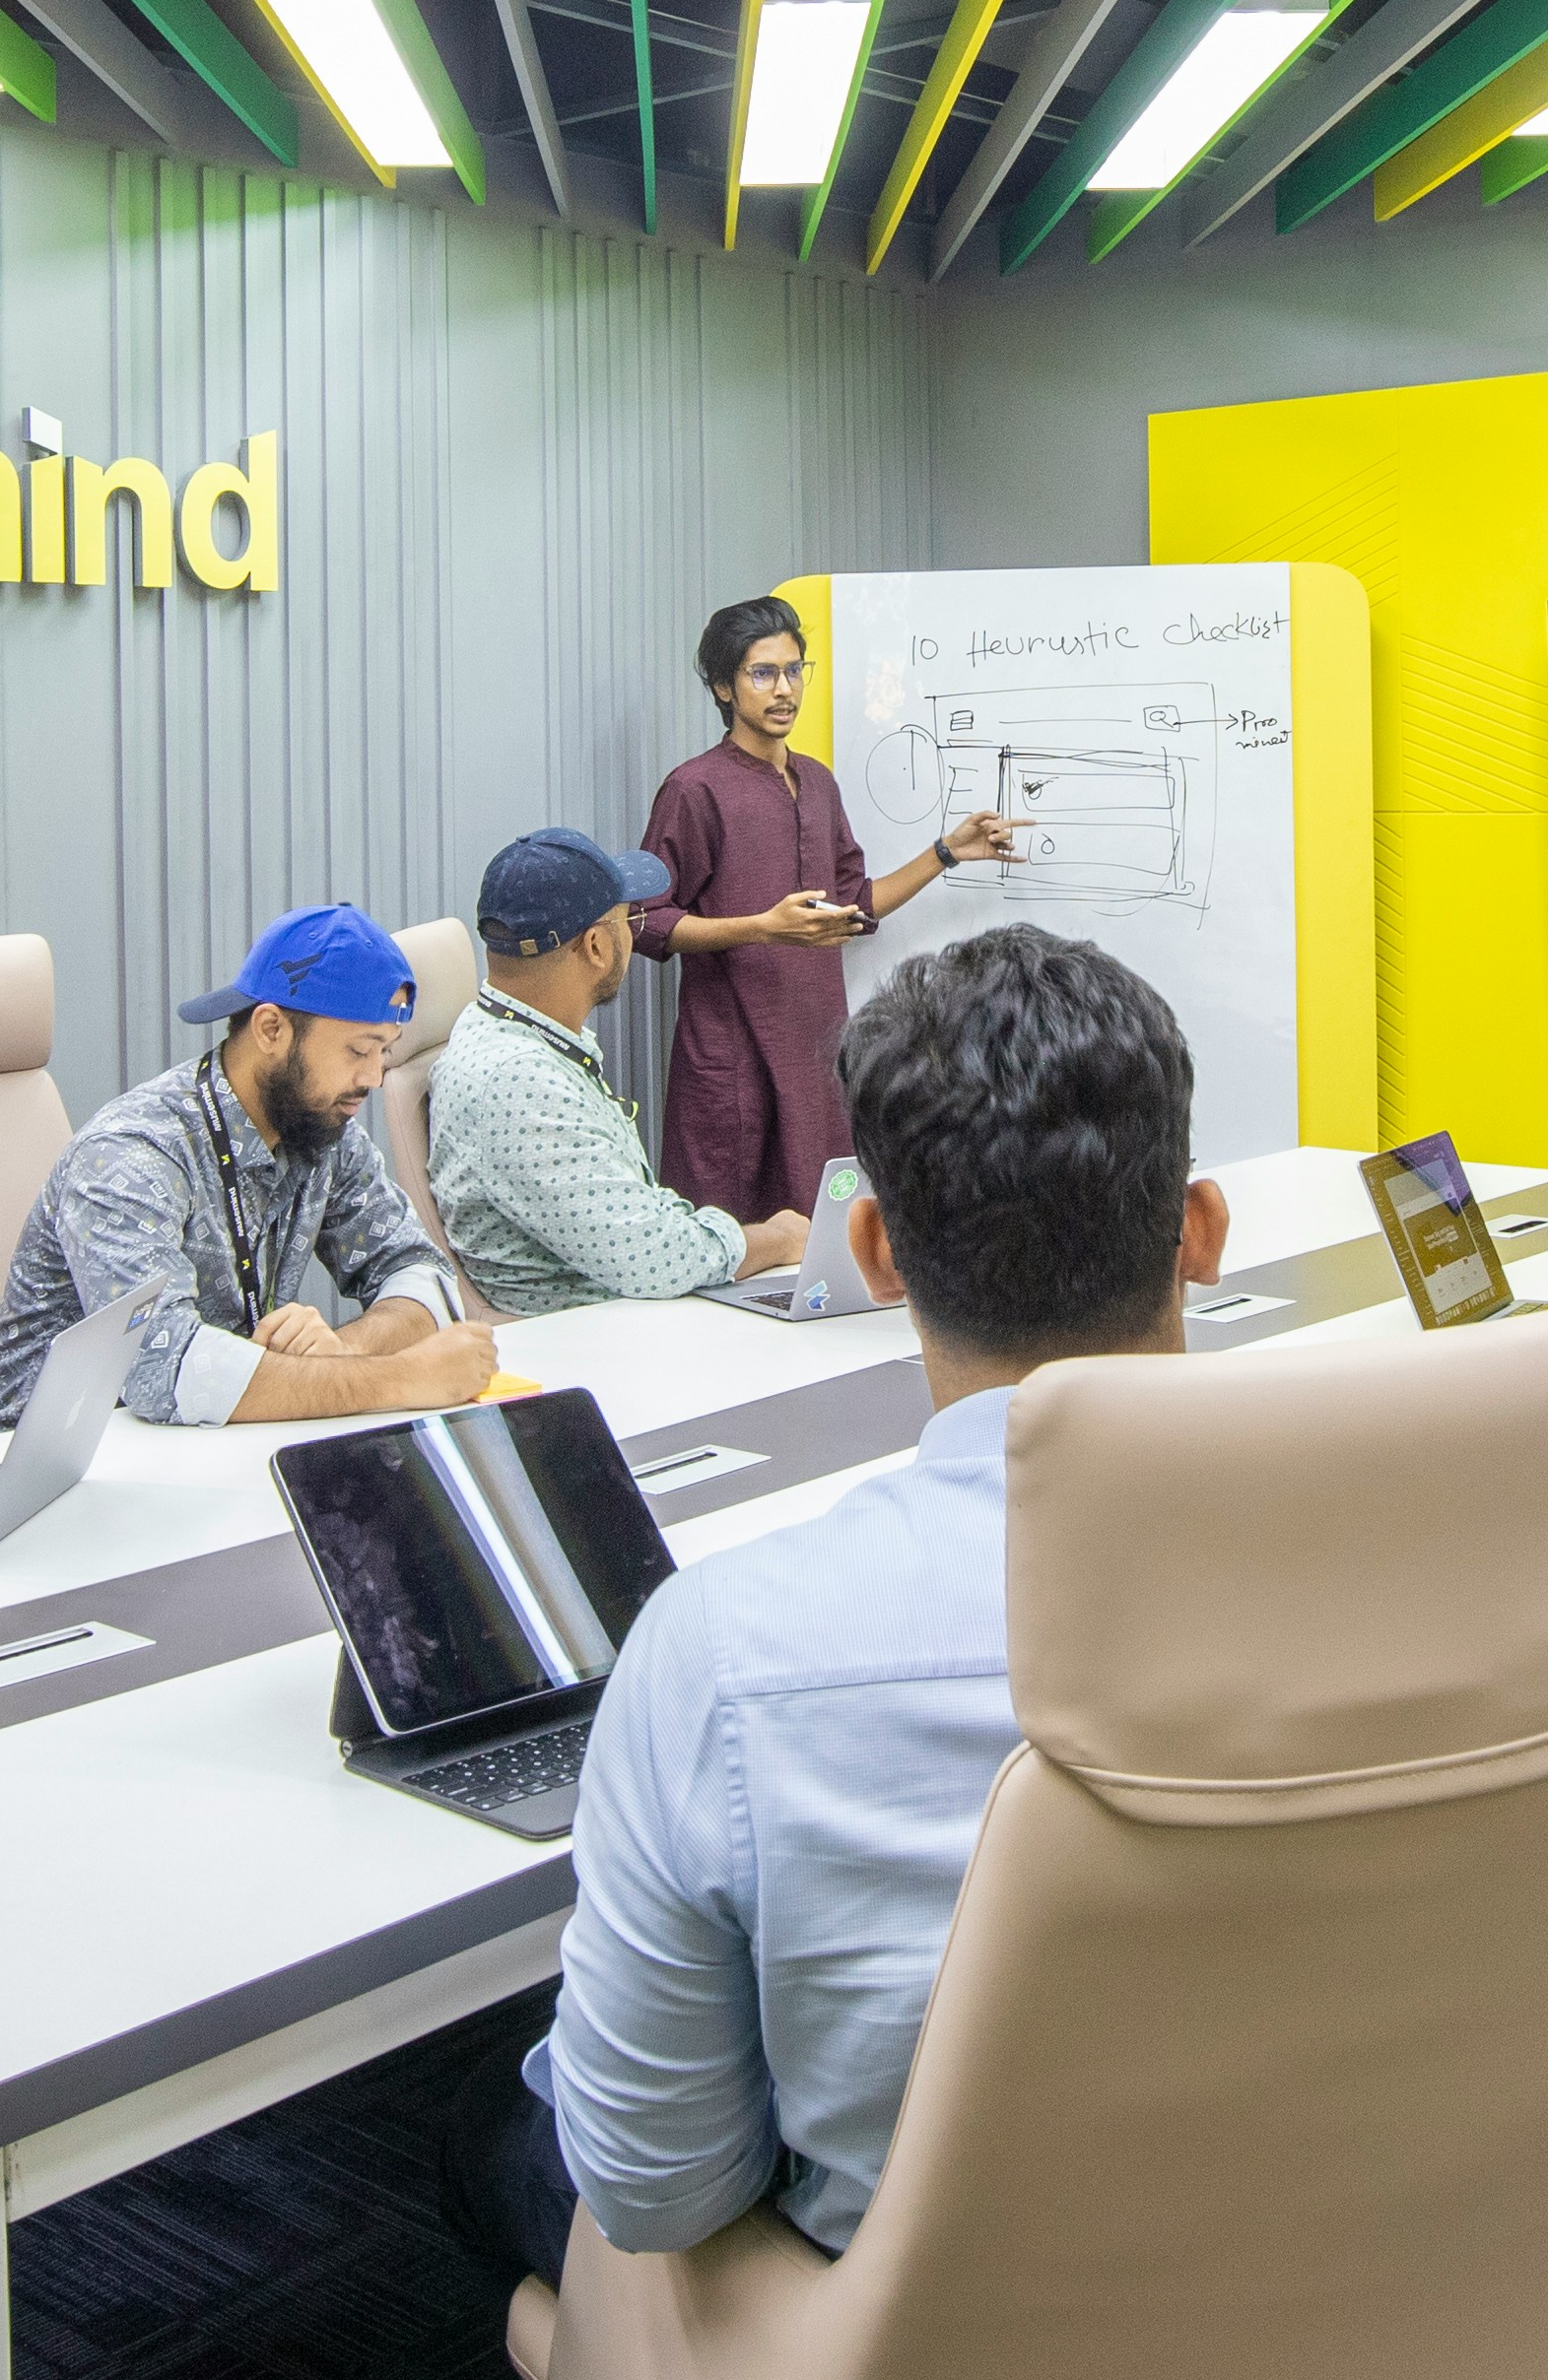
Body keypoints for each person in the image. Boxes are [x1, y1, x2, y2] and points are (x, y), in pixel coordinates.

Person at [445, 926, 1229, 2281]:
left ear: (874, 1252)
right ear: (1203, 1232)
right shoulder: (1453, 1573)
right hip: (1380, 2305)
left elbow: (660, 2194)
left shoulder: (725, 1653)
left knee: (496, 2127)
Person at [0, 900, 508, 1427]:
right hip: (37, 1464)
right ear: (271, 1030)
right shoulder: (131, 1153)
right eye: (359, 1050)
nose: (374, 1078)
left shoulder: (322, 1125)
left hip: (195, 1446)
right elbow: (162, 1366)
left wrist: (345, 1351)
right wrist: (397, 1379)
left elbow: (421, 1272)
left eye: (386, 1052)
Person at [638, 593, 1015, 1223]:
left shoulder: (817, 782)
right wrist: (762, 929)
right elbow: (645, 920)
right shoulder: (694, 788)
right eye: (763, 673)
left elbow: (855, 907)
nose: (784, 689)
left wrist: (947, 851)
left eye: (794, 671)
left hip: (815, 1054)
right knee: (734, 1245)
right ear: (723, 687)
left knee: (822, 1239)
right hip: (732, 1060)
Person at [426, 825, 810, 1317]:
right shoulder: (517, 1081)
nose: (633, 933)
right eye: (631, 919)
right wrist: (778, 1239)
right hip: (602, 1345)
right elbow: (656, 1258)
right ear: (596, 947)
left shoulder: (499, 1027)